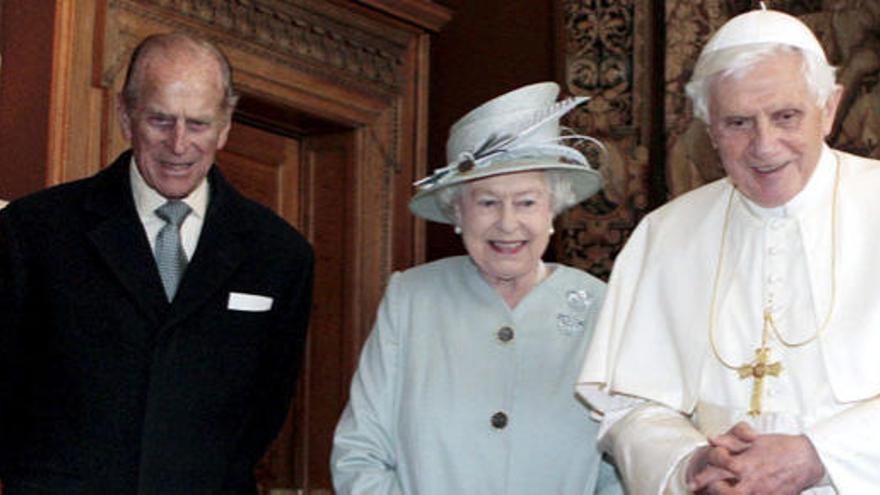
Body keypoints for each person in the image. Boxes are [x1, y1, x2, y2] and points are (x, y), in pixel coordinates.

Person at [576, 7, 880, 495]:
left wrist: (820, 456)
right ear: (709, 129)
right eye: (738, 122)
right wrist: (688, 464)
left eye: (785, 116)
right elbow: (628, 405)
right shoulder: (666, 234)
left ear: (829, 109)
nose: (764, 145)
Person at [0, 32, 314, 494]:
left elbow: (265, 410)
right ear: (126, 118)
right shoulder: (34, 231)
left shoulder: (280, 255)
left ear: (225, 127)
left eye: (199, 124)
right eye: (160, 120)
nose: (179, 144)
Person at [330, 82, 623, 494]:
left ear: (552, 211)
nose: (507, 223)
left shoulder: (601, 306)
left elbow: (620, 464)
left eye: (526, 202)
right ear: (457, 212)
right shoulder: (412, 298)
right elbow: (360, 453)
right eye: (487, 202)